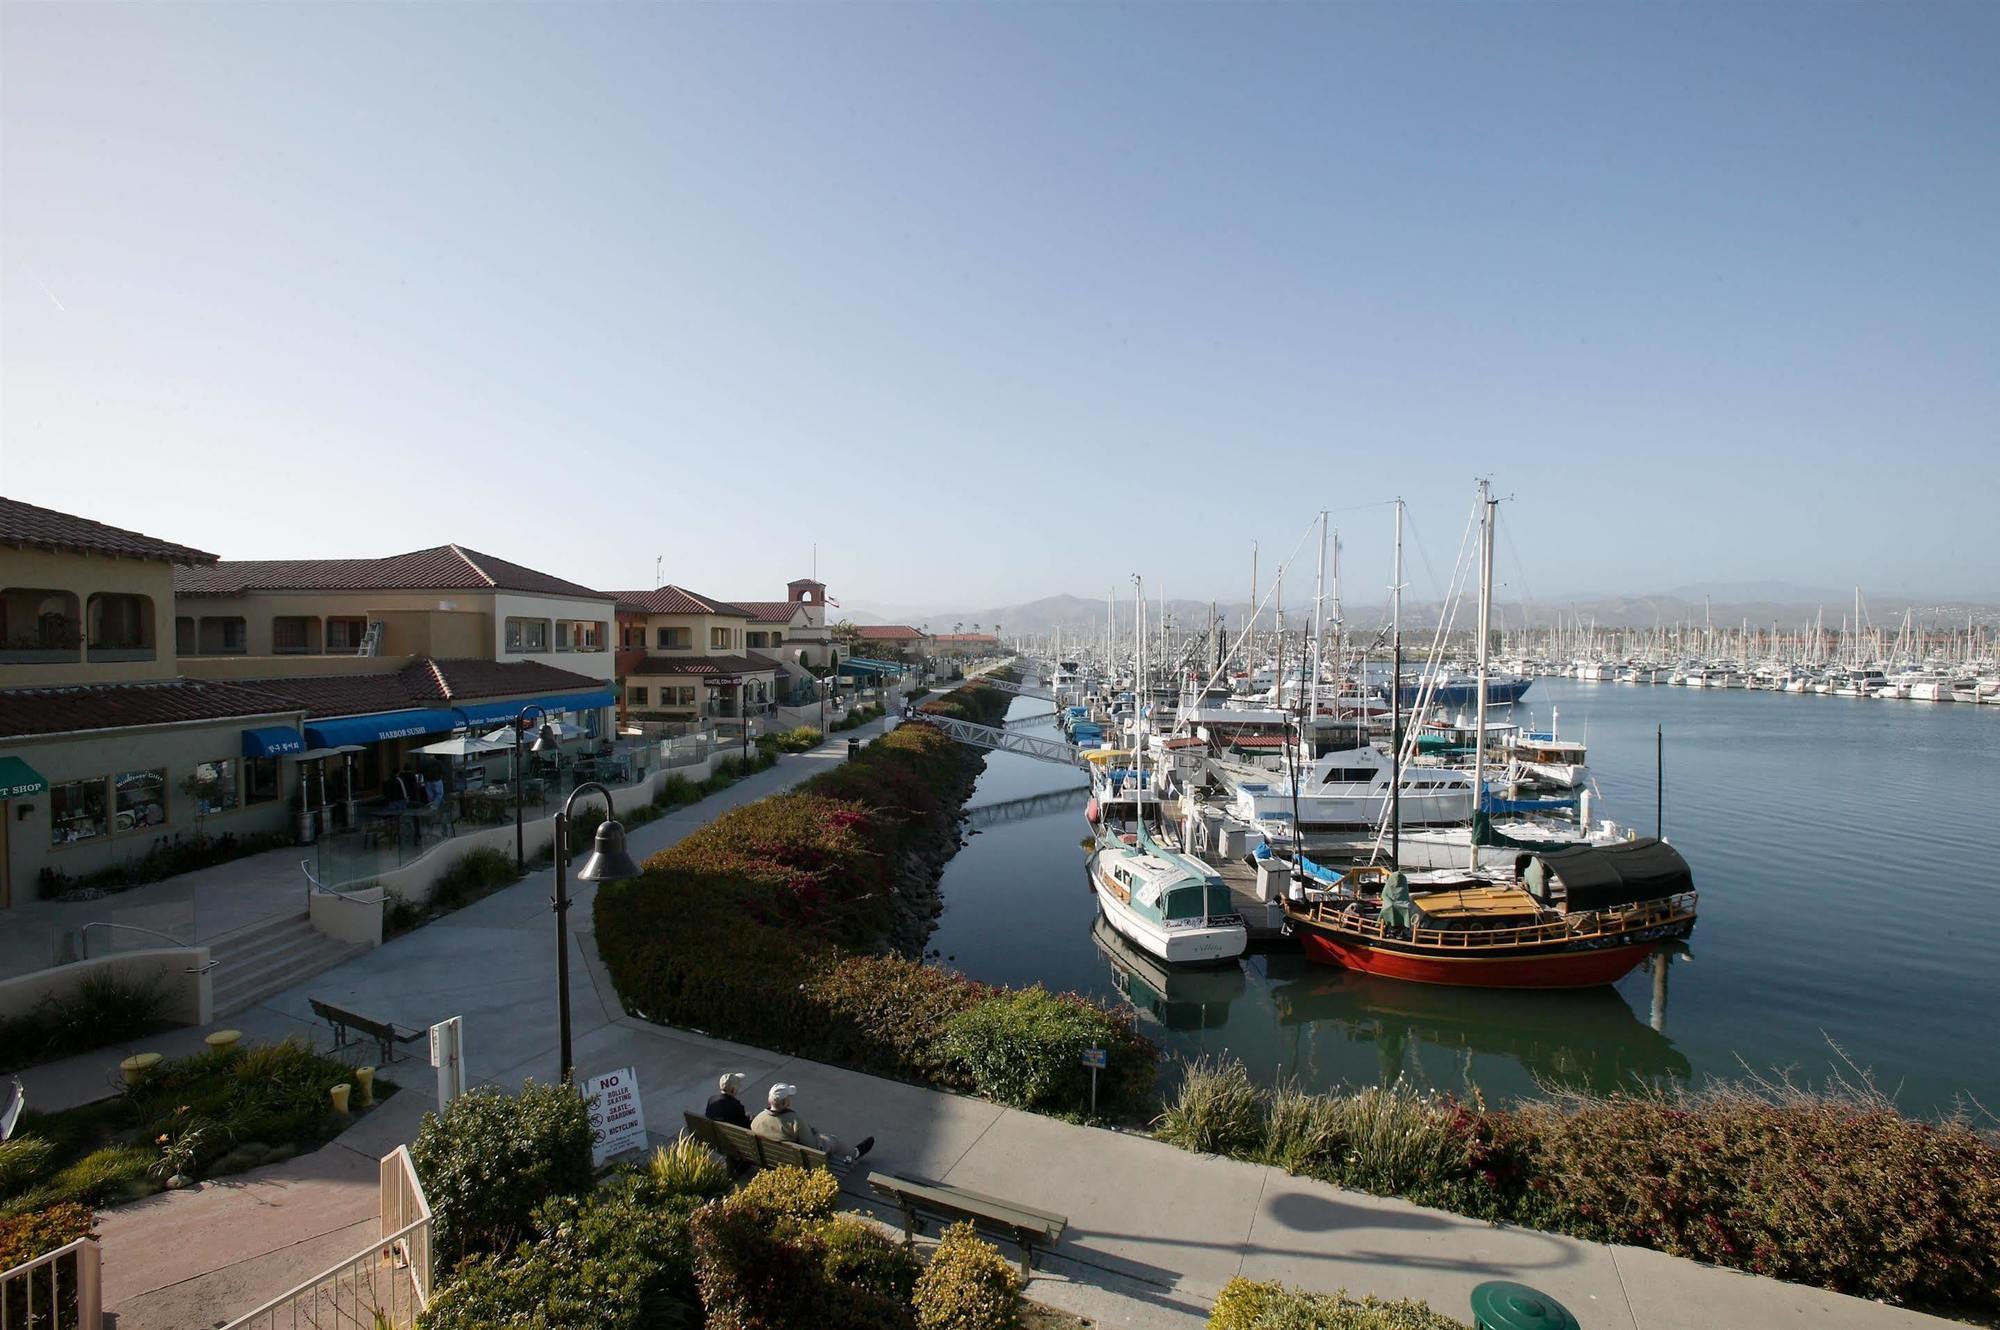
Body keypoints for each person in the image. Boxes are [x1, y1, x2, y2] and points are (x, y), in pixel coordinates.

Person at [750, 1083, 873, 1164]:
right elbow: (812, 1147)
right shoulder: (794, 1121)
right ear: (785, 1103)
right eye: (789, 1098)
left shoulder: (757, 1120)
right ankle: (854, 1153)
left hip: (769, 1158)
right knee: (832, 1140)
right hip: (794, 1161)